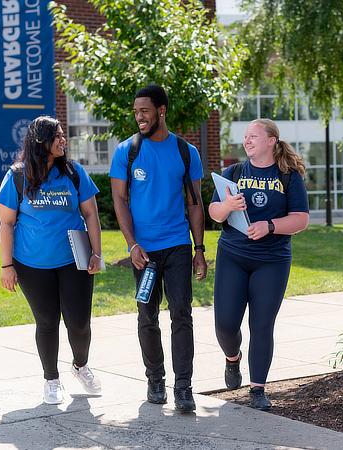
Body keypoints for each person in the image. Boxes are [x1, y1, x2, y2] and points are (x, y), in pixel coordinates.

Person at [109, 84, 207, 412]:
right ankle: (155, 379)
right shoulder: (127, 151)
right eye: (136, 111)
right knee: (147, 315)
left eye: (145, 111)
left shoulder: (185, 152)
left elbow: (195, 203)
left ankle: (183, 386)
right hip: (145, 252)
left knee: (182, 312)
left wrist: (199, 249)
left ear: (161, 111)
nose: (139, 116)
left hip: (178, 244)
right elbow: (119, 200)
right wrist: (132, 244)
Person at [0, 115, 103, 405]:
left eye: (62, 135)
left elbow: (91, 214)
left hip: (74, 259)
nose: (62, 140)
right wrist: (7, 266)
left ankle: (80, 365)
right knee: (46, 322)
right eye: (57, 136)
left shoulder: (74, 172)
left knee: (79, 323)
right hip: (32, 264)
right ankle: (51, 379)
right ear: (41, 142)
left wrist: (96, 253)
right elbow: (6, 224)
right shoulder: (18, 176)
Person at [208, 118, 310, 411]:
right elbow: (215, 212)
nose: (247, 140)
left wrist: (269, 225)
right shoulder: (234, 172)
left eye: (253, 136)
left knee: (261, 324)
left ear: (271, 141)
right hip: (233, 256)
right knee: (226, 325)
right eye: (245, 136)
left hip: (272, 260)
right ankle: (232, 358)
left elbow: (301, 219)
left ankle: (258, 389)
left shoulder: (288, 176)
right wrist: (228, 207)